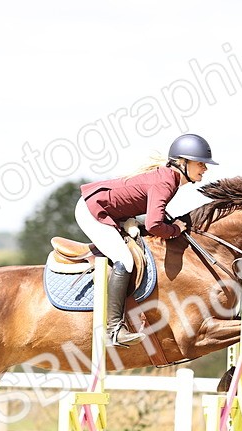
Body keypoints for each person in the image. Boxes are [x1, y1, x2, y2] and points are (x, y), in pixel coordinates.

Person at [76, 133, 217, 346]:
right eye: (200, 163)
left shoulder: (169, 179)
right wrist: (175, 229)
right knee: (125, 260)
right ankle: (113, 330)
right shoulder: (166, 182)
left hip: (110, 211)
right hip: (92, 211)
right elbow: (154, 225)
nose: (205, 169)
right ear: (183, 163)